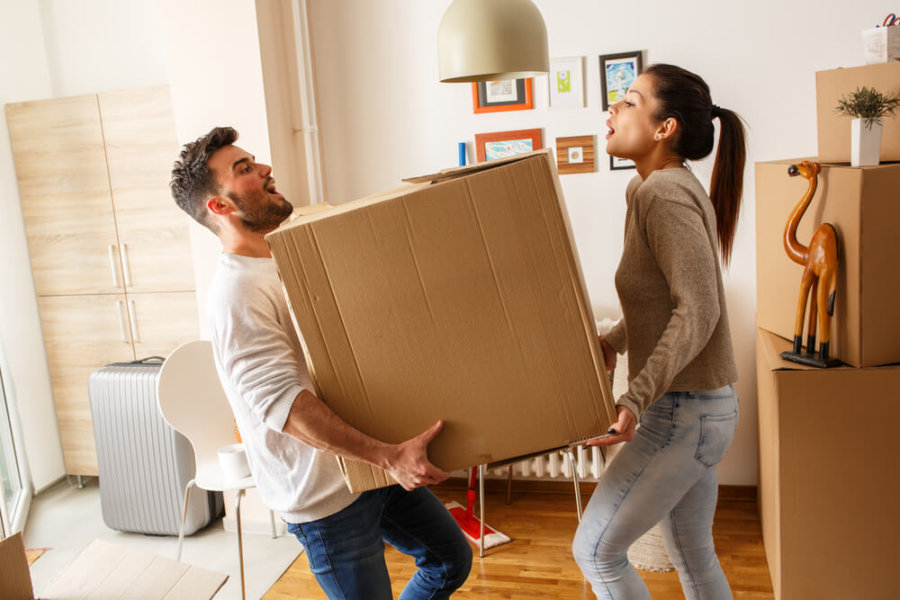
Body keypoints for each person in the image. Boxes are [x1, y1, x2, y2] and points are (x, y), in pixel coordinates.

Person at [169, 127, 472, 600]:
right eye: (244, 170)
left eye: (255, 161)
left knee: (449, 559)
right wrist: (388, 456)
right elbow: (284, 406)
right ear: (220, 207)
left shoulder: (291, 257)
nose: (265, 169)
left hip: (371, 468)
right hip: (327, 499)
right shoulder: (236, 295)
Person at [572, 64, 746, 600]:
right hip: (699, 409)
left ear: (664, 127)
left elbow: (698, 309)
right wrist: (614, 342)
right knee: (693, 555)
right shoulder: (650, 189)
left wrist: (636, 396)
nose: (612, 111)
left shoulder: (663, 194)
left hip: (682, 413)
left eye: (628, 101)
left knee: (596, 552)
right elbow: (660, 301)